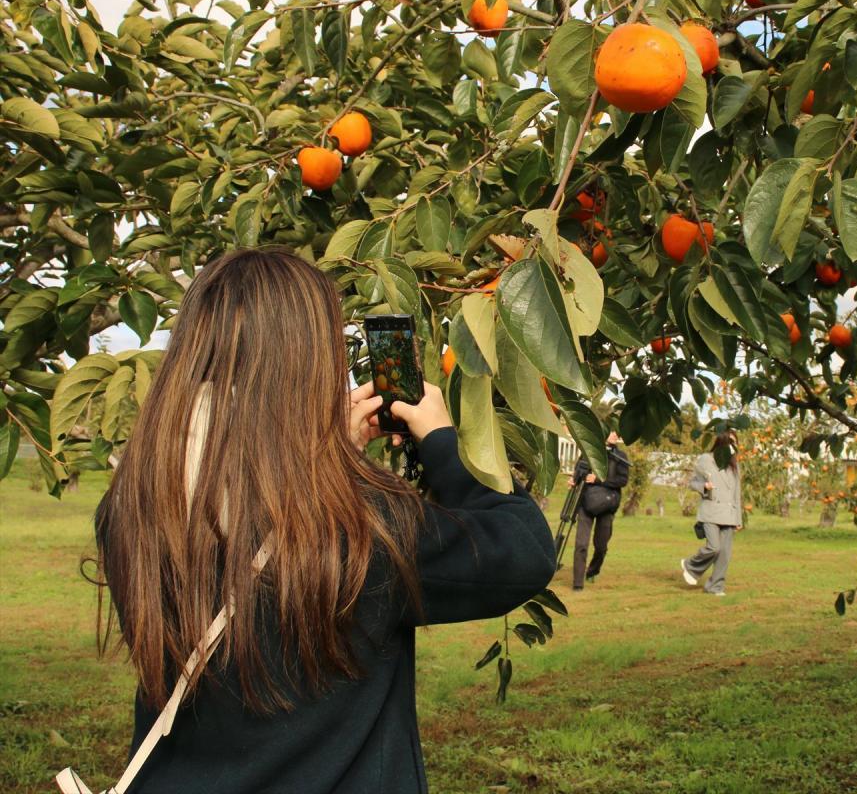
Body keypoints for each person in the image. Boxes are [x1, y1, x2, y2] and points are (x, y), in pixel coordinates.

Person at [90, 249, 556, 794]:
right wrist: (441, 440)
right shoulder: (362, 525)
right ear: (308, 362)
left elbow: (248, 522)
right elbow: (522, 549)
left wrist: (327, 458)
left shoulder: (133, 508)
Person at [680, 431, 744, 596]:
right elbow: (692, 482)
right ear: (721, 442)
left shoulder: (734, 465)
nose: (732, 446)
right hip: (710, 511)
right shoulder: (706, 459)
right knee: (714, 547)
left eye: (735, 443)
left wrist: (738, 518)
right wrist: (704, 486)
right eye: (730, 442)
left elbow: (737, 493)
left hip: (729, 514)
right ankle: (690, 566)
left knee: (724, 554)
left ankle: (715, 587)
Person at [567, 431, 629, 590]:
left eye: (617, 433)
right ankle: (578, 584)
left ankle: (592, 571)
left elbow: (623, 480)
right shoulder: (589, 452)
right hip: (586, 503)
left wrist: (599, 479)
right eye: (611, 432)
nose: (615, 435)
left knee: (601, 547)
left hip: (607, 506)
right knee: (581, 544)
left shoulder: (620, 457)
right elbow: (579, 471)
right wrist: (573, 480)